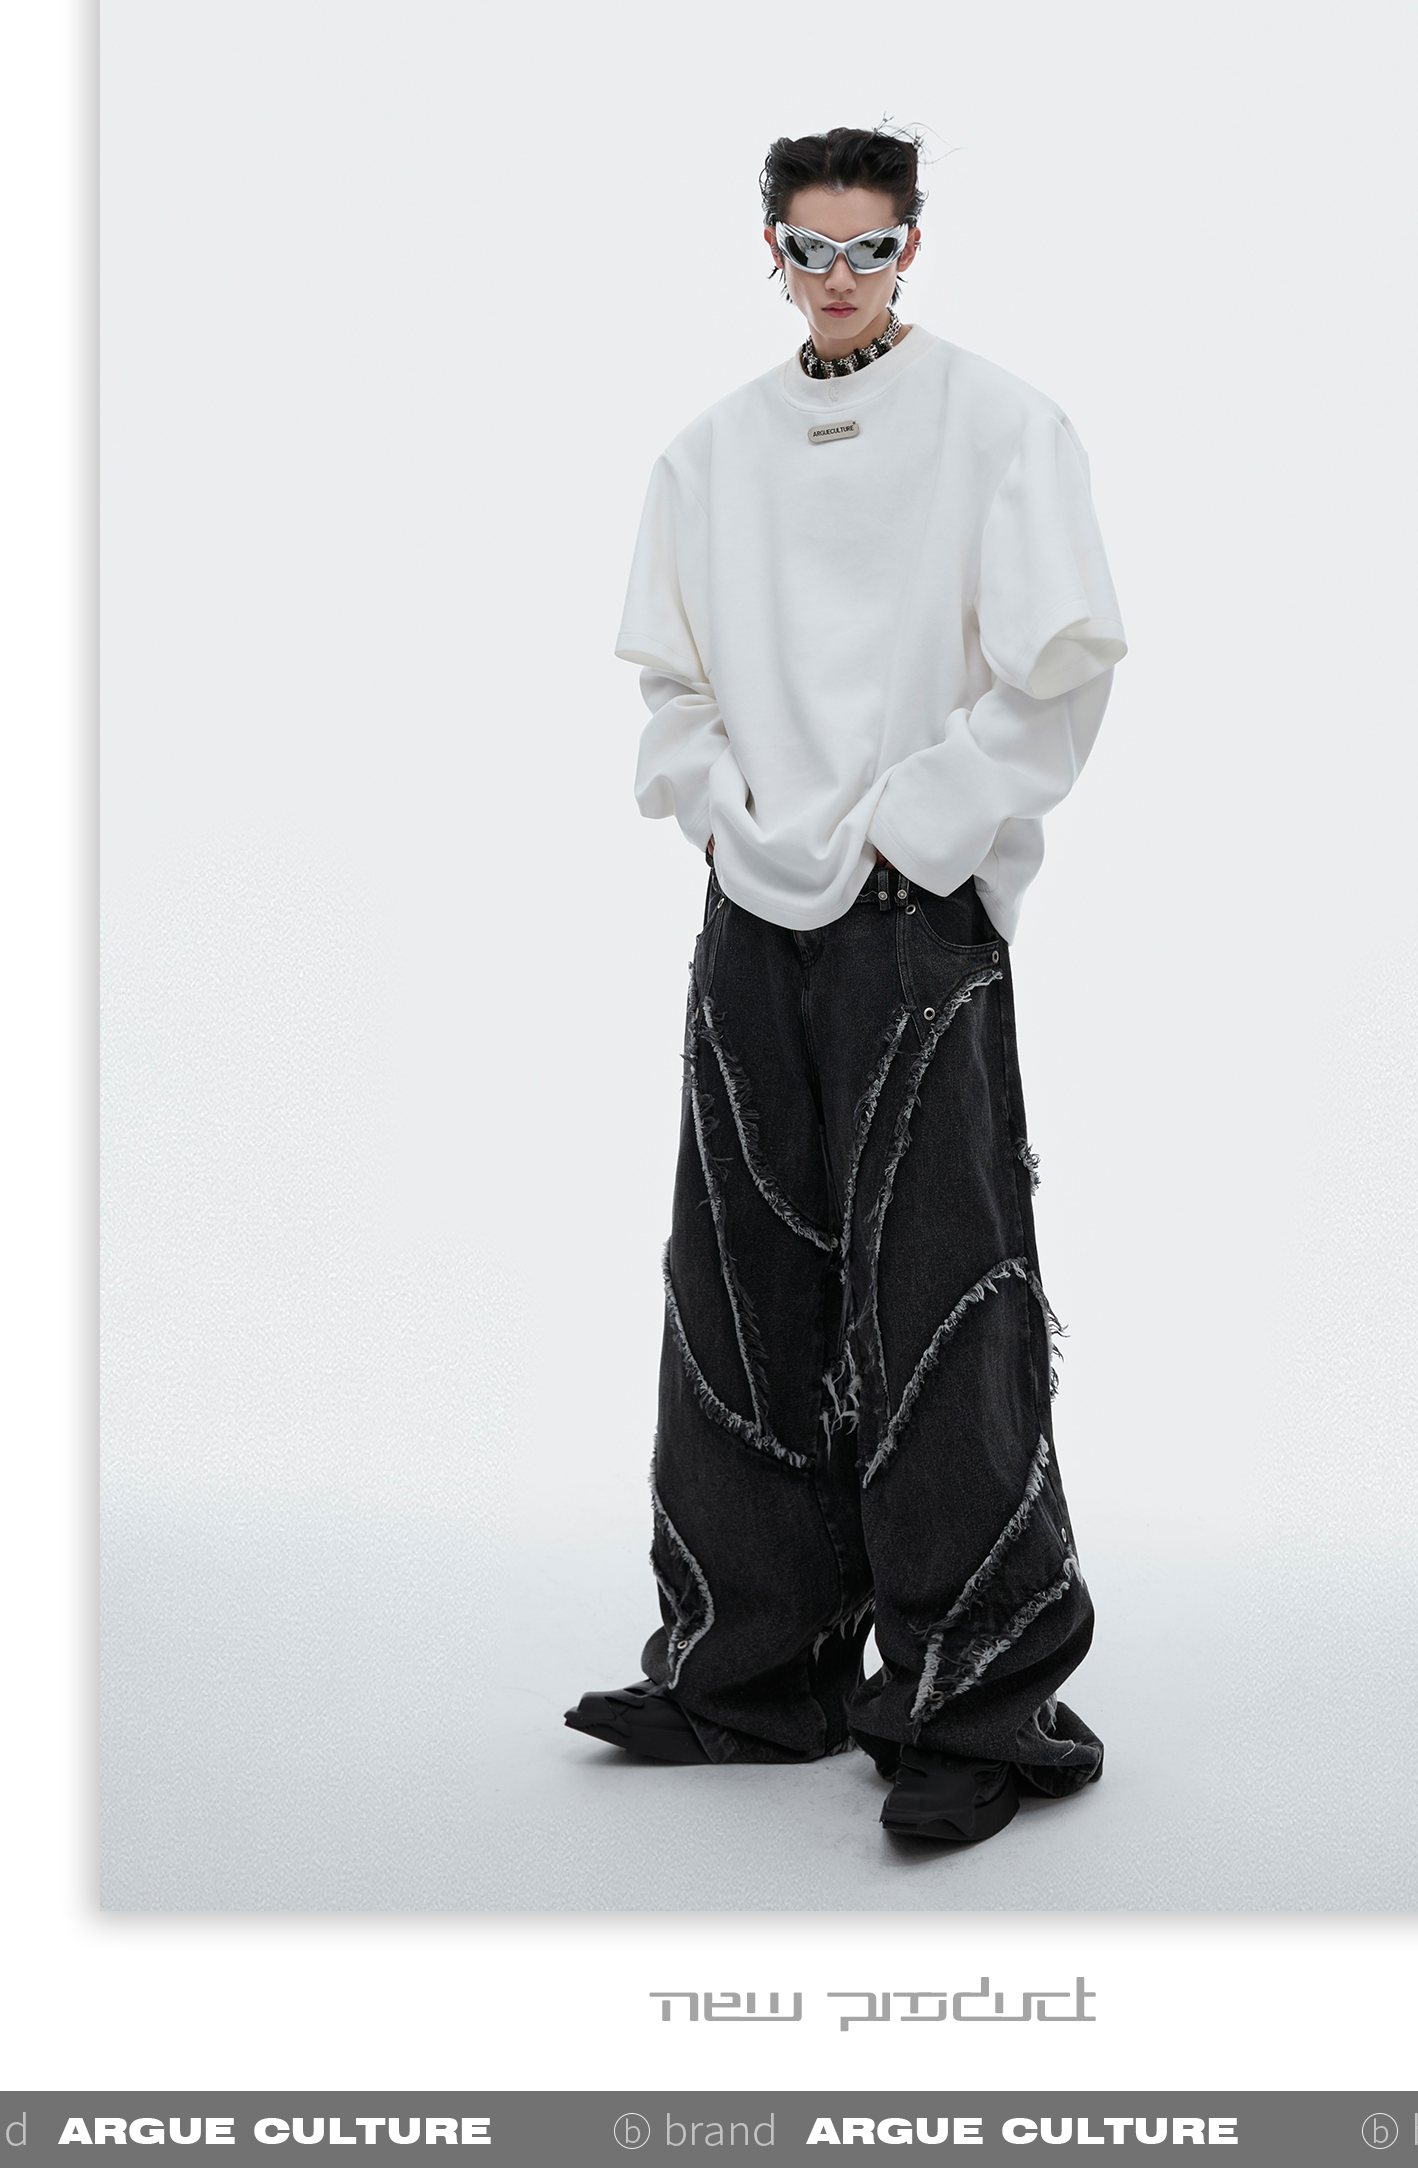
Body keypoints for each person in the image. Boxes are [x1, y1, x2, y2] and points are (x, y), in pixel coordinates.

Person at [564, 125, 1127, 1845]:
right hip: (752, 906)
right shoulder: (709, 456)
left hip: (914, 916)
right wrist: (718, 811)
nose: (837, 279)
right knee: (737, 1278)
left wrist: (922, 824)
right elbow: (670, 683)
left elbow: (1059, 674)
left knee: (940, 1293)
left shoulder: (1000, 428)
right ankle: (749, 1670)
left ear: (911, 249)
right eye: (809, 249)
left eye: (868, 248)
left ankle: (975, 1700)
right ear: (772, 249)